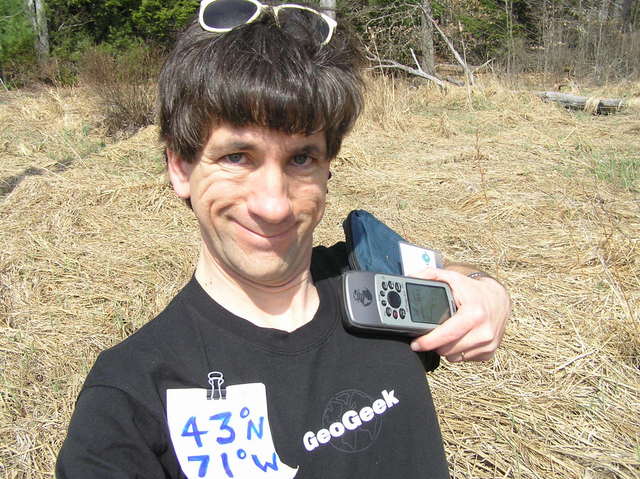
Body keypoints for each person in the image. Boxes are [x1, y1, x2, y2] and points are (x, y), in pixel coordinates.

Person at [56, 2, 511, 478]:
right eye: (236, 156)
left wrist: (485, 288)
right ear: (180, 168)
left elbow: (450, 274)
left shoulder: (369, 279)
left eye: (300, 159)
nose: (273, 205)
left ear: (327, 168)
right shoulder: (130, 398)